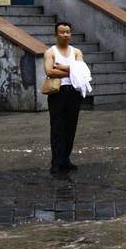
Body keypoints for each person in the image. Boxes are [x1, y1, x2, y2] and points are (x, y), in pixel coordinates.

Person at [44, 22, 84, 175]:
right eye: (62, 32)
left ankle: (65, 159)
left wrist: (60, 67)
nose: (65, 35)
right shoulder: (51, 52)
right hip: (57, 91)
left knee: (70, 126)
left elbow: (81, 71)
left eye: (68, 32)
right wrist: (72, 70)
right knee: (57, 127)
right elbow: (49, 71)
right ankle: (56, 162)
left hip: (74, 91)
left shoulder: (76, 52)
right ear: (56, 34)